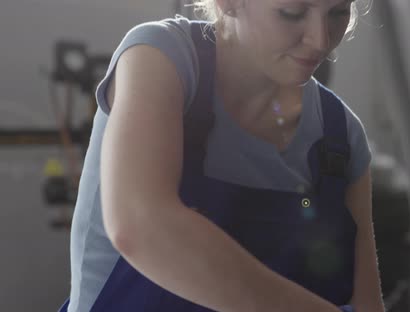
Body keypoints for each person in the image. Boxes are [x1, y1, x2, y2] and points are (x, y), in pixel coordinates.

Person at [60, 0, 383, 311]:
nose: (320, 40)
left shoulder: (340, 139)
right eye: (292, 13)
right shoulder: (160, 57)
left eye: (339, 12)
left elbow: (366, 303)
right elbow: (143, 227)